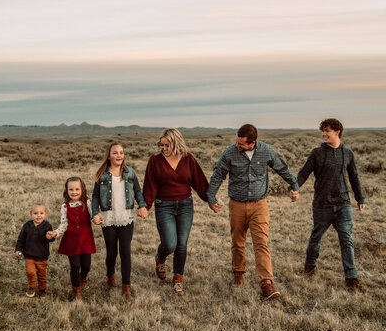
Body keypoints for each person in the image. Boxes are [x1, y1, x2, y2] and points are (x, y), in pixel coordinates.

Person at [207, 124, 299, 300]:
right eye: (236, 142)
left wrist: (294, 186)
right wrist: (211, 197)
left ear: (253, 143)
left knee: (261, 242)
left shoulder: (266, 151)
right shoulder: (229, 153)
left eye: (241, 144)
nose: (237, 146)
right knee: (237, 241)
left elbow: (282, 168)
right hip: (237, 204)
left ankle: (266, 283)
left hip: (259, 204)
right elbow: (218, 174)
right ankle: (238, 273)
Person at [297, 118, 365, 291]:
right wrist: (294, 188)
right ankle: (310, 266)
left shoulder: (347, 153)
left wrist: (360, 198)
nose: (324, 134)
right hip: (322, 204)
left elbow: (354, 177)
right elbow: (304, 172)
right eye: (323, 130)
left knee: (347, 240)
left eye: (327, 130)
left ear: (337, 131)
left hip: (343, 204)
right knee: (316, 238)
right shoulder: (317, 153)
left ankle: (351, 278)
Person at [143, 128, 209, 295]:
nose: (163, 148)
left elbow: (200, 182)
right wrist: (145, 206)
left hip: (185, 205)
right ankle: (160, 257)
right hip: (164, 206)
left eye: (167, 145)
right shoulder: (155, 160)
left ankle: (178, 278)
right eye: (161, 145)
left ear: (176, 143)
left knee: (182, 244)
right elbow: (150, 185)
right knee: (170, 243)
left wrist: (211, 200)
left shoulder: (188, 159)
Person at [92, 143, 148, 300]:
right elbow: (95, 196)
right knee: (111, 253)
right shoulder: (102, 175)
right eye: (115, 152)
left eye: (121, 152)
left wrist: (142, 206)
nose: (119, 155)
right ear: (109, 155)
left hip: (126, 217)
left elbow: (138, 191)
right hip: (109, 218)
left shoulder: (130, 173)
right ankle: (110, 276)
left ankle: (126, 287)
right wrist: (95, 213)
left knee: (125, 252)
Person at [47, 177, 96, 301]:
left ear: (82, 189)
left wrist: (97, 220)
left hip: (86, 239)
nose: (74, 192)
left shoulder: (88, 203)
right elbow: (64, 224)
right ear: (66, 191)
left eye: (77, 189)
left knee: (86, 267)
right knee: (75, 266)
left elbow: (92, 217)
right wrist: (56, 233)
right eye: (71, 189)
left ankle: (83, 277)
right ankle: (76, 291)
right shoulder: (65, 206)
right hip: (71, 240)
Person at [14, 203, 54, 298]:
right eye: (35, 213)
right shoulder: (27, 226)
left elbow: (51, 239)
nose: (38, 215)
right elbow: (21, 239)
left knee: (41, 274)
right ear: (31, 214)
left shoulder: (47, 226)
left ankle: (42, 289)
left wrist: (50, 236)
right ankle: (31, 287)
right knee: (30, 272)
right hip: (29, 255)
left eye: (41, 213)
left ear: (45, 214)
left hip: (42, 255)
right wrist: (18, 249)